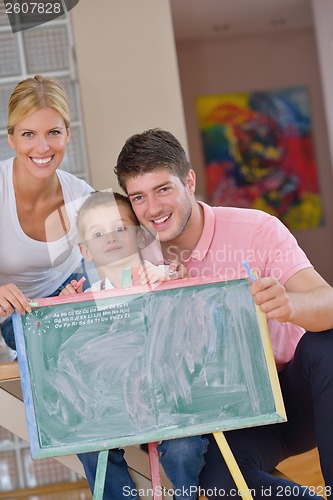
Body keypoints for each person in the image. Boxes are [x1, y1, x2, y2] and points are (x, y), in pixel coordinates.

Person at [113, 128, 333, 500]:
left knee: (325, 344)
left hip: (294, 396)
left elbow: (326, 300)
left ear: (189, 180)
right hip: (227, 415)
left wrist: (291, 305)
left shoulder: (257, 229)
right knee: (220, 483)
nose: (152, 209)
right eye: (138, 196)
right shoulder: (132, 258)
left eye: (163, 189)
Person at [60, 190, 209, 500]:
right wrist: (64, 317)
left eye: (119, 228)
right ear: (85, 250)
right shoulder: (84, 302)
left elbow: (196, 335)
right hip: (113, 405)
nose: (110, 238)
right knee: (90, 447)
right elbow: (77, 366)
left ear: (141, 237)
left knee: (185, 449)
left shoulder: (164, 279)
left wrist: (177, 290)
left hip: (172, 402)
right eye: (98, 233)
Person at [0, 75, 92, 353]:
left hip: (73, 288)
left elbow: (124, 265)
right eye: (28, 134)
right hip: (18, 309)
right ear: (11, 138)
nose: (43, 148)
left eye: (53, 132)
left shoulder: (82, 195)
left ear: (67, 134)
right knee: (38, 349)